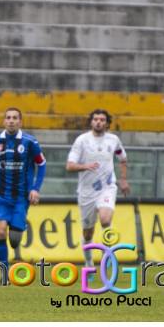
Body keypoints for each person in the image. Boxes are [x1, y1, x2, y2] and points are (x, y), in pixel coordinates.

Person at [0, 108, 47, 279]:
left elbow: (41, 164)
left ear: (20, 122)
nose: (11, 121)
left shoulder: (30, 142)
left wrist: (35, 188)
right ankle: (4, 273)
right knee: (0, 232)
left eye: (15, 118)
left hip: (21, 196)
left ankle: (19, 226)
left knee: (14, 240)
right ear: (4, 121)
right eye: (8, 118)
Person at [65, 109, 130, 282]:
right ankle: (88, 262)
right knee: (88, 233)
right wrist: (84, 166)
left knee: (105, 219)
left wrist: (123, 180)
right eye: (95, 119)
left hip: (107, 188)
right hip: (86, 192)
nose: (99, 122)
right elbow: (70, 166)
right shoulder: (82, 141)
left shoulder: (114, 140)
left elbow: (122, 158)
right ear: (91, 122)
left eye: (102, 120)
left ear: (107, 123)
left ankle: (107, 255)